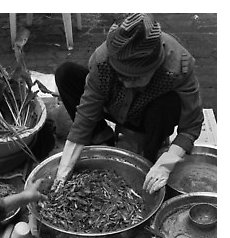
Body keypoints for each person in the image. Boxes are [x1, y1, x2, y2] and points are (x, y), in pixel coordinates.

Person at [53, 13, 204, 194]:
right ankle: (104, 140)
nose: (127, 83)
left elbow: (191, 126)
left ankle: (149, 156)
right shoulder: (102, 59)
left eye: (136, 78)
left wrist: (166, 163)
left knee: (169, 103)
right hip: (114, 107)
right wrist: (65, 168)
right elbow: (86, 115)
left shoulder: (179, 65)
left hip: (149, 116)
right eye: (122, 76)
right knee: (66, 73)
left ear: (155, 66)